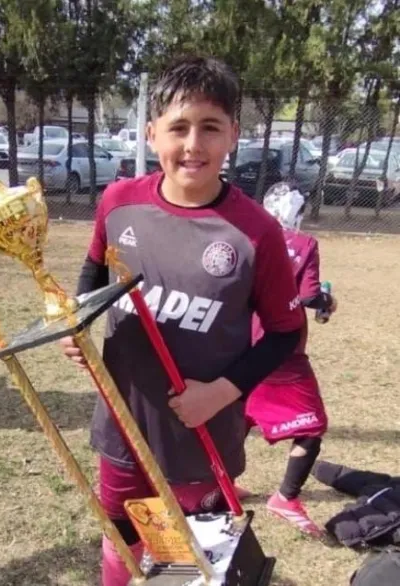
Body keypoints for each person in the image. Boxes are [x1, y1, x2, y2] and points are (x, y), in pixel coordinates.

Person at [58, 56, 306, 586]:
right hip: (122, 427)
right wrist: (78, 320)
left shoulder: (256, 231)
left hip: (199, 438)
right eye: (178, 127)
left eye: (210, 127)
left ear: (233, 135)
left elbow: (287, 332)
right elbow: (93, 267)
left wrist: (221, 393)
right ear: (151, 135)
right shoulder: (118, 202)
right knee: (122, 541)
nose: (193, 144)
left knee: (180, 560)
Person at [236, 182, 336, 537]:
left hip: (240, 342)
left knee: (242, 414)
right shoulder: (305, 244)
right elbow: (309, 296)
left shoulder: (247, 236)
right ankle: (286, 498)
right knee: (312, 427)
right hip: (282, 349)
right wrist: (327, 302)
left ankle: (220, 484)